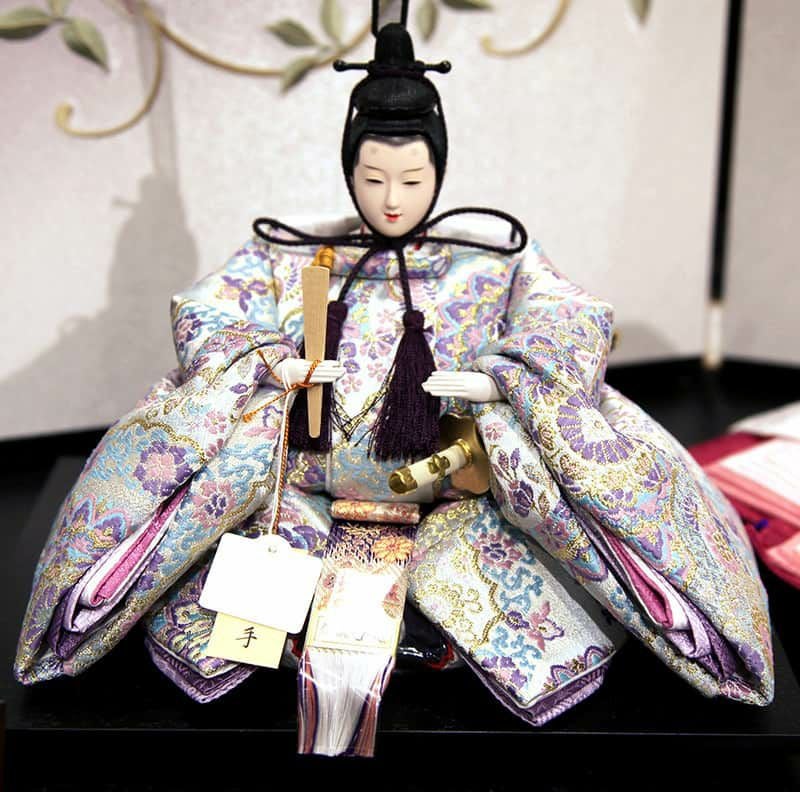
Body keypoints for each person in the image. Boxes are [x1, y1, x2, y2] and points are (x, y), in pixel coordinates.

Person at [15, 12, 773, 760]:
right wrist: (270, 360)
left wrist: (498, 378)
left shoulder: (493, 257)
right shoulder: (287, 252)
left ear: (440, 170)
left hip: (460, 490)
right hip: (293, 488)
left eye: (412, 179)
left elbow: (569, 314)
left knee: (551, 467)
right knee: (211, 469)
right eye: (372, 178)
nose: (391, 199)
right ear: (349, 169)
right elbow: (211, 306)